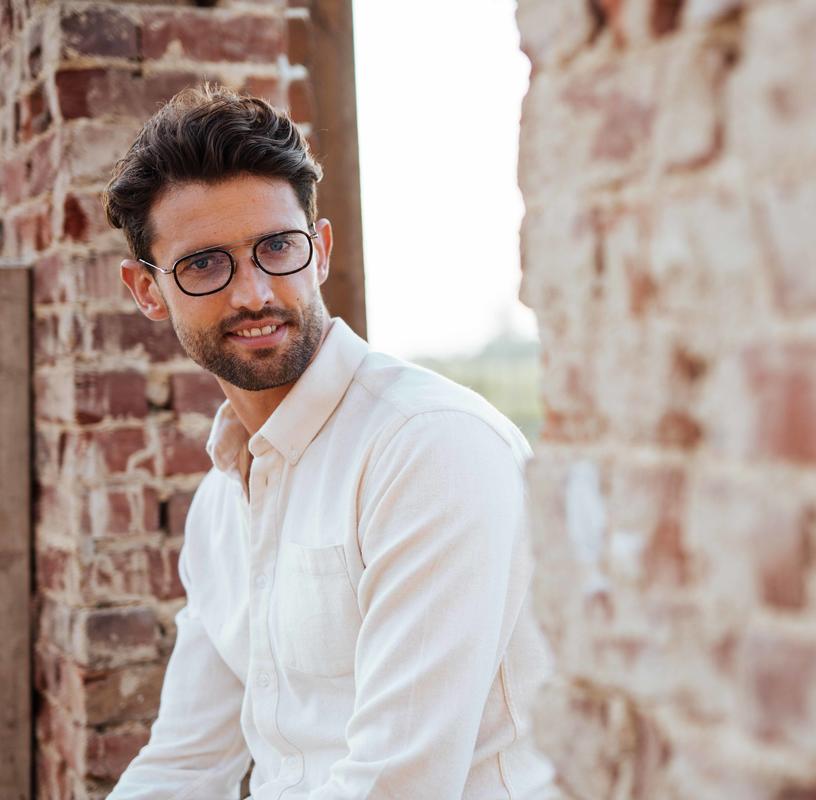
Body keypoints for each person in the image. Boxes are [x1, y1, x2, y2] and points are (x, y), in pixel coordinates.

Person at [103, 85, 557, 799]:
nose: (254, 293)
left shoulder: (429, 449)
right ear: (147, 290)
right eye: (205, 264)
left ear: (319, 251)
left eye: (277, 247)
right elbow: (186, 762)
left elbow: (396, 783)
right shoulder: (222, 501)